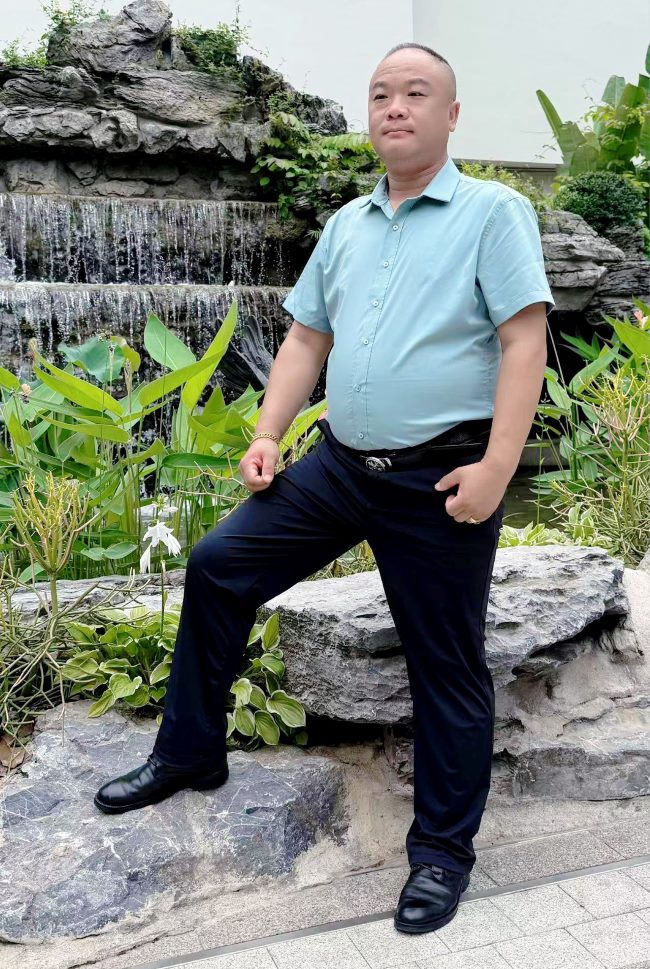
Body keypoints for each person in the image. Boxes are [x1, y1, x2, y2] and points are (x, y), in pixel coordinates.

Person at [94, 42, 555, 935]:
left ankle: (442, 853)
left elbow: (523, 340)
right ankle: (191, 752)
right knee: (219, 564)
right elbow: (306, 339)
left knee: (445, 663)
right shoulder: (347, 224)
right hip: (341, 465)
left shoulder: (493, 213)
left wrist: (498, 467)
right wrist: (268, 434)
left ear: (451, 116)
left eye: (415, 93)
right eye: (381, 94)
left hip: (439, 475)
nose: (395, 107)